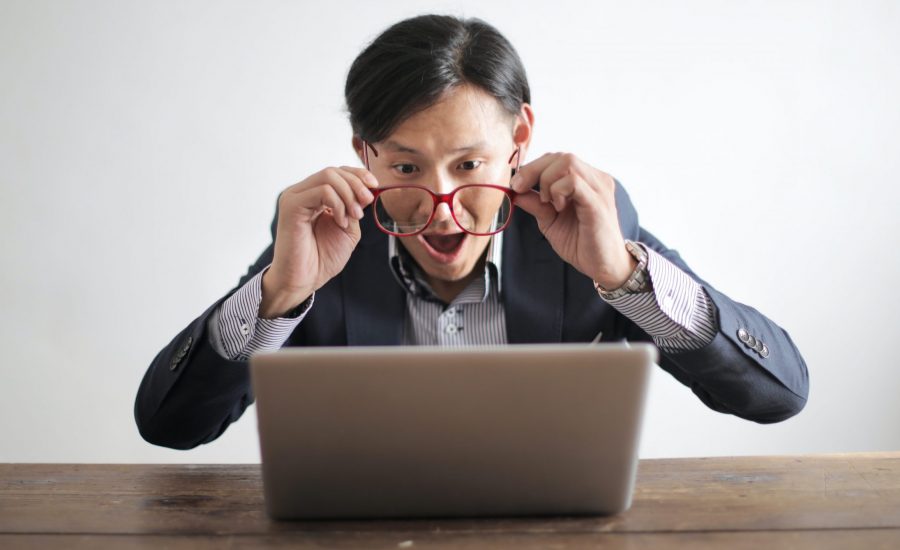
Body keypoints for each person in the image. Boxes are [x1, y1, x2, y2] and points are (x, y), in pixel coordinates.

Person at [135, 14, 809, 450]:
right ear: (364, 155)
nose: (442, 204)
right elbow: (170, 426)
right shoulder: (326, 242)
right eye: (405, 166)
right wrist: (279, 294)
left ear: (518, 141)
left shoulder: (588, 227)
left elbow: (779, 396)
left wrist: (623, 278)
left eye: (468, 164)